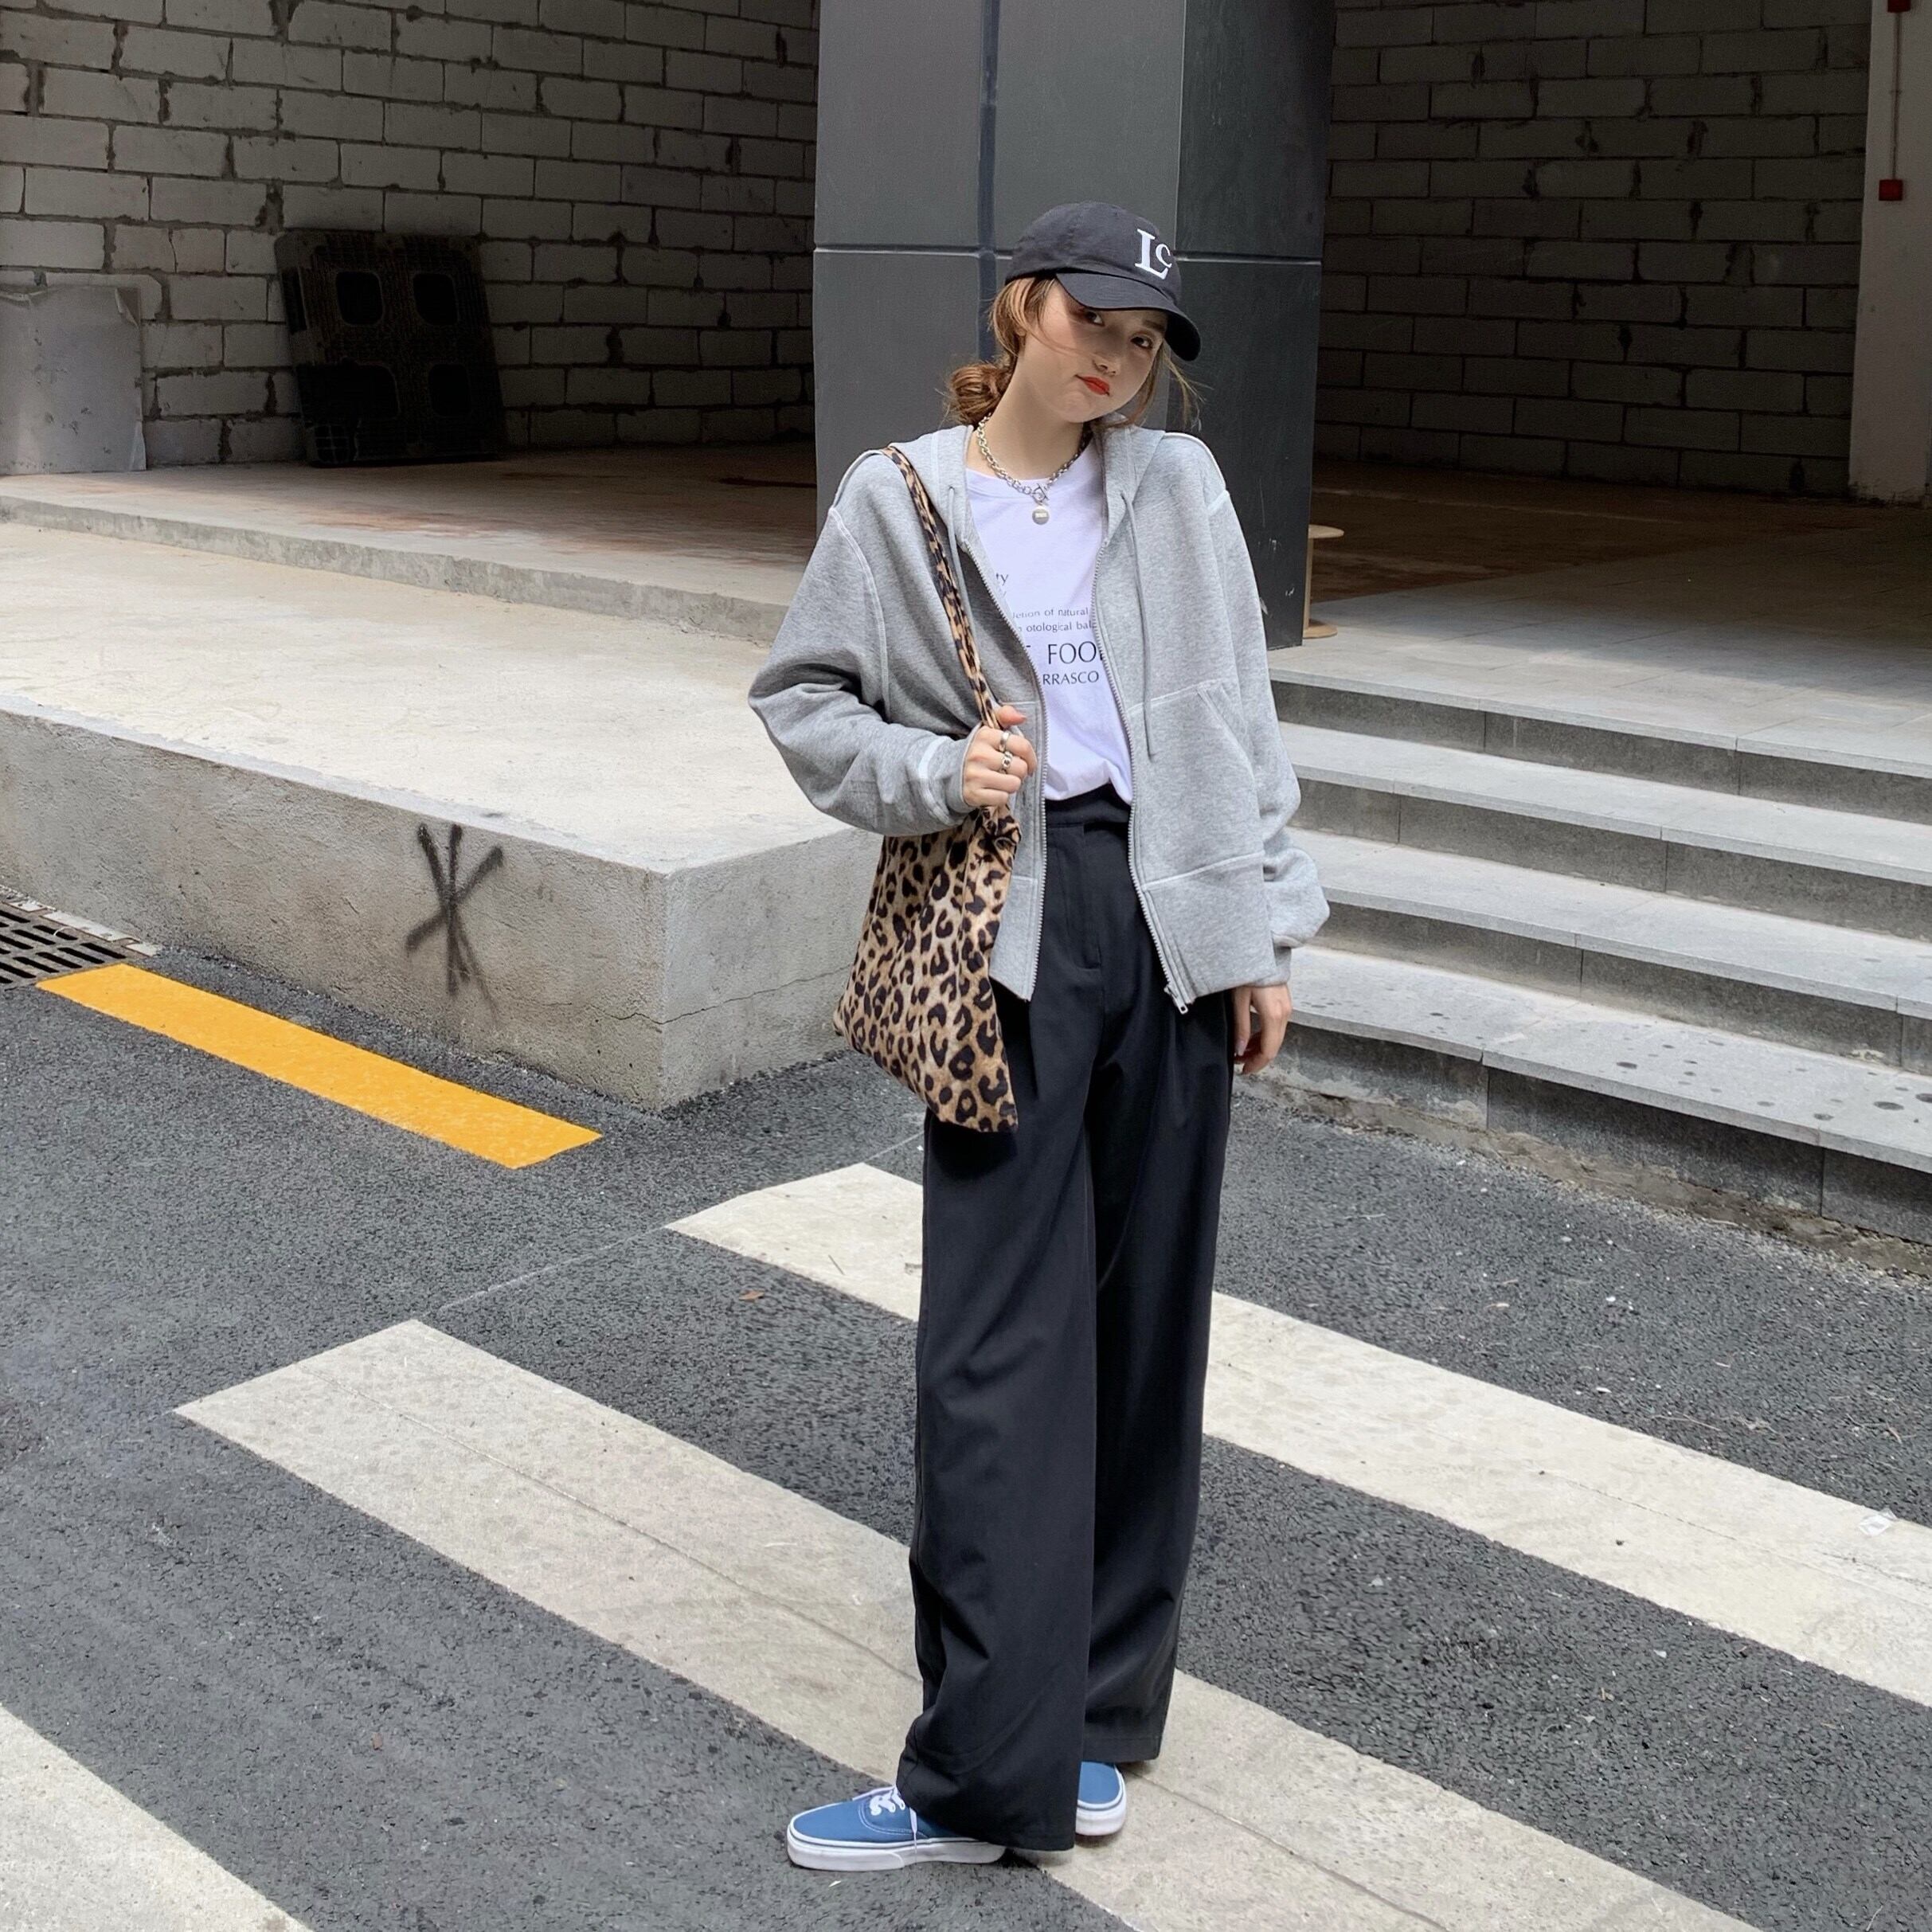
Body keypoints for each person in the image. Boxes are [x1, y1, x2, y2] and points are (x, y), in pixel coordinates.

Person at [746, 200, 1329, 1871]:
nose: (1115, 362)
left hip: (1172, 925)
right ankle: (980, 1777)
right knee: (998, 1350)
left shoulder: (1176, 486)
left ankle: (1089, 1721)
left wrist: (1262, 921)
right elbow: (802, 697)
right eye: (1093, 324)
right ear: (1022, 308)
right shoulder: (902, 495)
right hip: (1013, 922)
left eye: (1142, 341)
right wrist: (937, 773)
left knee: (1146, 1333)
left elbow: (1232, 713)